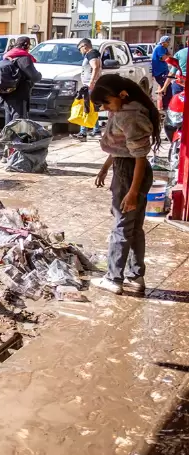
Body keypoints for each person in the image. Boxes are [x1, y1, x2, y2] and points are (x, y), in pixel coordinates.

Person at [90, 74, 159, 295]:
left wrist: (132, 191)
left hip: (130, 172)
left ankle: (114, 278)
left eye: (107, 102)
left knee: (122, 226)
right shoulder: (128, 109)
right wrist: (105, 167)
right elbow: (121, 147)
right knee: (134, 226)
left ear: (122, 95)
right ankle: (136, 275)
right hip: (128, 168)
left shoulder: (127, 116)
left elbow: (138, 157)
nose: (106, 108)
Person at [0, 36, 42, 124]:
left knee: (9, 120)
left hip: (6, 94)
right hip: (20, 94)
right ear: (26, 45)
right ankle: (17, 138)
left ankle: (9, 137)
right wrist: (39, 76)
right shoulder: (24, 58)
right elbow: (34, 76)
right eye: (29, 45)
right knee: (19, 121)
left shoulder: (7, 56)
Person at [73, 38, 102, 139]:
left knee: (86, 108)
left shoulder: (91, 54)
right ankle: (96, 130)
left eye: (80, 48)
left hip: (90, 86)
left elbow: (95, 67)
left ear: (85, 46)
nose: (80, 51)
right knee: (91, 108)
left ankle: (83, 132)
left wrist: (91, 81)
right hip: (90, 85)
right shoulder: (93, 54)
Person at [152, 36, 172, 109]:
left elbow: (169, 56)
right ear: (163, 42)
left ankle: (165, 106)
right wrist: (168, 55)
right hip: (160, 72)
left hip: (163, 71)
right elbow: (165, 58)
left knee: (167, 87)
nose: (169, 44)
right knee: (167, 89)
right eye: (167, 42)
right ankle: (166, 107)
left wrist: (168, 54)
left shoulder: (164, 48)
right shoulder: (160, 48)